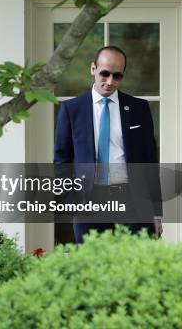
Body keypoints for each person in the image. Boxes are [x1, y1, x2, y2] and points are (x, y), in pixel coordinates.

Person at [53, 45, 162, 243]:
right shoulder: (71, 109)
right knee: (91, 266)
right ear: (93, 68)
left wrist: (156, 213)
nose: (110, 81)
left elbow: (149, 163)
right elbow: (62, 161)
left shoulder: (139, 108)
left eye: (117, 76)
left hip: (133, 201)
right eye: (105, 73)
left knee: (136, 267)